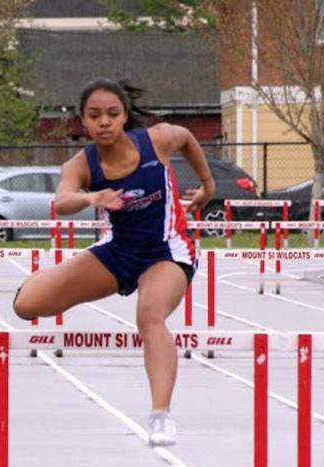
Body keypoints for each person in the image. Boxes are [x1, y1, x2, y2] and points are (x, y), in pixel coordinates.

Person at [12, 78, 213, 447]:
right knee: (26, 305)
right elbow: (61, 202)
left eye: (112, 114)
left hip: (166, 251)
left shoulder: (157, 140)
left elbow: (187, 136)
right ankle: (63, 282)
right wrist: (93, 199)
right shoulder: (81, 164)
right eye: (94, 116)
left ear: (124, 117)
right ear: (83, 123)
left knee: (149, 314)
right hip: (118, 251)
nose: (104, 122)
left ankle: (160, 416)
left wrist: (207, 185)